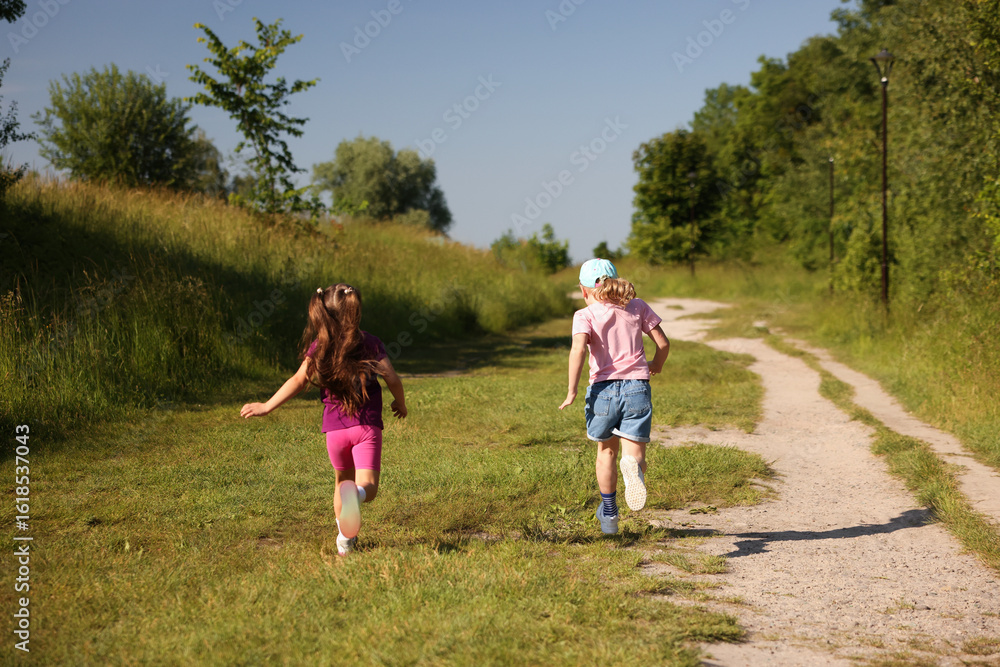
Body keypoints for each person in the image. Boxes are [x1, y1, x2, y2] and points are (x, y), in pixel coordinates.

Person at [240, 283, 407, 555]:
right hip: (366, 427)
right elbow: (392, 378)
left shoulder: (320, 346)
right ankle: (357, 501)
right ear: (356, 311)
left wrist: (267, 406)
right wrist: (400, 403)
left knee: (342, 482)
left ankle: (344, 543)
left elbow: (297, 380)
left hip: (335, 432)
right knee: (368, 487)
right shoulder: (371, 343)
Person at [558, 259, 670, 535]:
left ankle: (609, 515)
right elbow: (663, 343)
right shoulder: (638, 306)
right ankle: (633, 468)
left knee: (606, 452)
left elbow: (578, 351)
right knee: (634, 455)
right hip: (637, 388)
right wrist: (656, 364)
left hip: (603, 391)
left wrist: (572, 390)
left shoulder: (584, 315)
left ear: (584, 291)